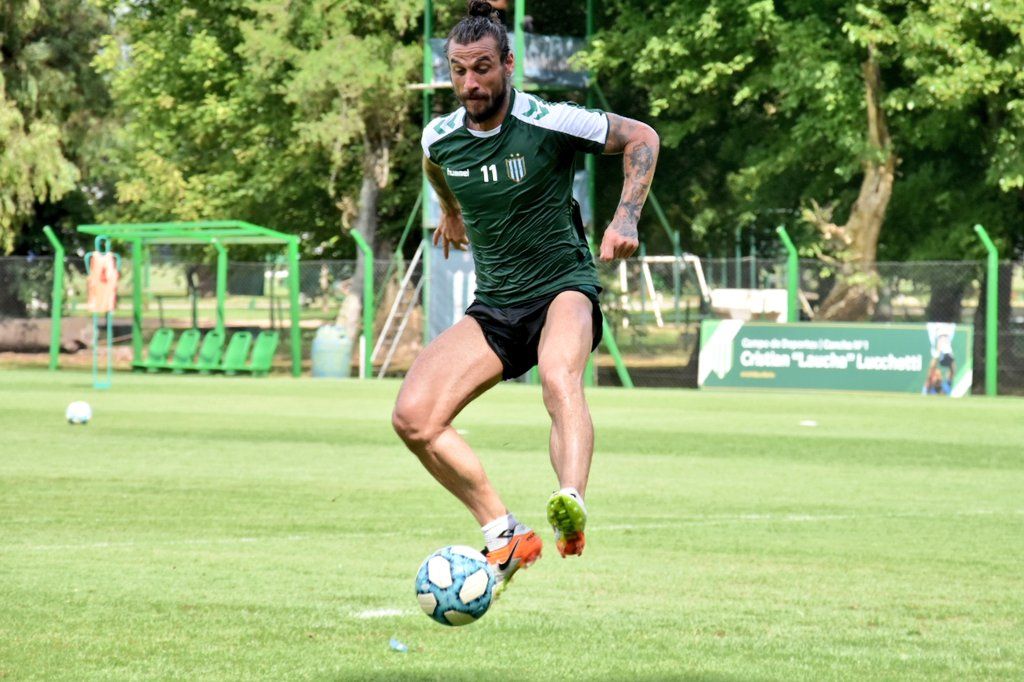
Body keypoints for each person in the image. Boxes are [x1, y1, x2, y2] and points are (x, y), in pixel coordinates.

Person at [392, 0, 659, 596]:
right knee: (413, 418)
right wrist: (451, 211)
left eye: (483, 68)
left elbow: (642, 137)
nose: (470, 82)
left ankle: (571, 500)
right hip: (496, 306)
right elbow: (438, 171)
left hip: (563, 285)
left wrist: (626, 218)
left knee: (559, 378)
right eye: (459, 70)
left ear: (508, 64)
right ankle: (504, 534)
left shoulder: (549, 121)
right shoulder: (440, 140)